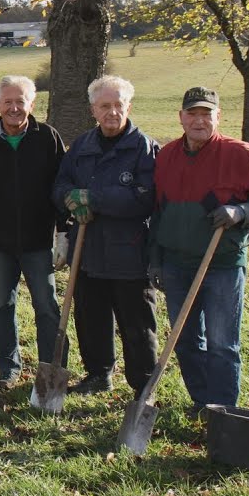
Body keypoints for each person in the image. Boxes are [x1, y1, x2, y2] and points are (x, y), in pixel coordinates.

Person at [150, 86, 249, 415]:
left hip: (222, 265)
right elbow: (157, 212)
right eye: (192, 114)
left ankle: (222, 409)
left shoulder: (240, 154)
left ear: (218, 117)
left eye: (206, 114)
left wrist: (242, 213)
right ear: (181, 118)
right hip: (177, 265)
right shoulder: (166, 156)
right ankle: (201, 401)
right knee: (185, 340)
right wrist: (155, 260)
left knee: (223, 343)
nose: (199, 120)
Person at [52, 75, 160, 399]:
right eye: (104, 106)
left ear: (128, 106)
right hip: (86, 250)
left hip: (129, 252)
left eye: (118, 105)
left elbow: (145, 197)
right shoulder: (82, 147)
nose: (112, 112)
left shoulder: (145, 148)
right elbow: (59, 186)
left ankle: (143, 385)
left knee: (137, 324)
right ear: (93, 110)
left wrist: (94, 198)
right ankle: (99, 374)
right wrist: (71, 198)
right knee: (90, 317)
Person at [0, 75, 68, 389]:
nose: (14, 108)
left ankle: (52, 368)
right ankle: (8, 370)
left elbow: (62, 190)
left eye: (20, 101)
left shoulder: (48, 138)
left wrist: (64, 233)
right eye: (8, 102)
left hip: (39, 243)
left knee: (47, 306)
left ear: (32, 104)